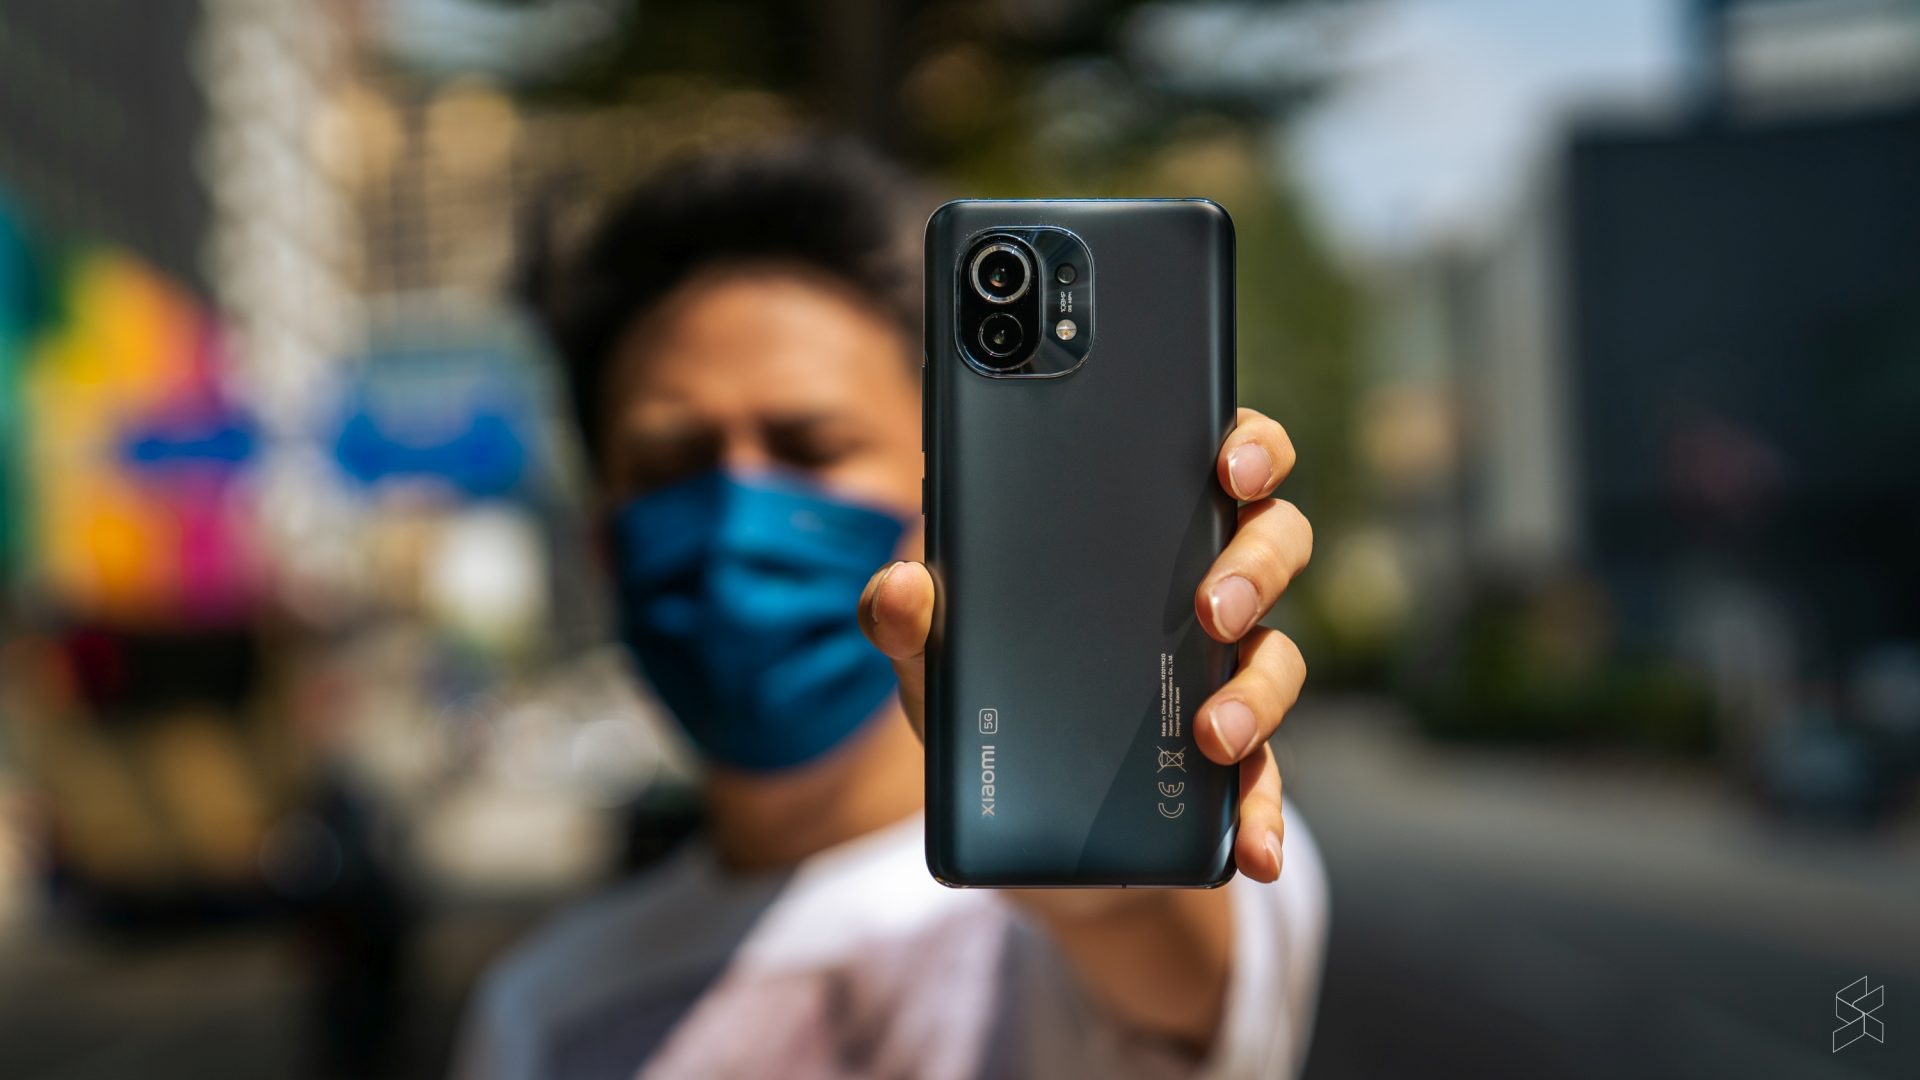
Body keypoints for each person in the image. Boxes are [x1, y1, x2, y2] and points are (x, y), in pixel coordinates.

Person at [456, 140, 1326, 1080]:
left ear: (948, 488)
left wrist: (1098, 871)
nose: (738, 516)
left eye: (810, 448)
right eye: (673, 466)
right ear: (601, 542)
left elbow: (1169, 958)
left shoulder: (1141, 850)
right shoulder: (540, 1013)